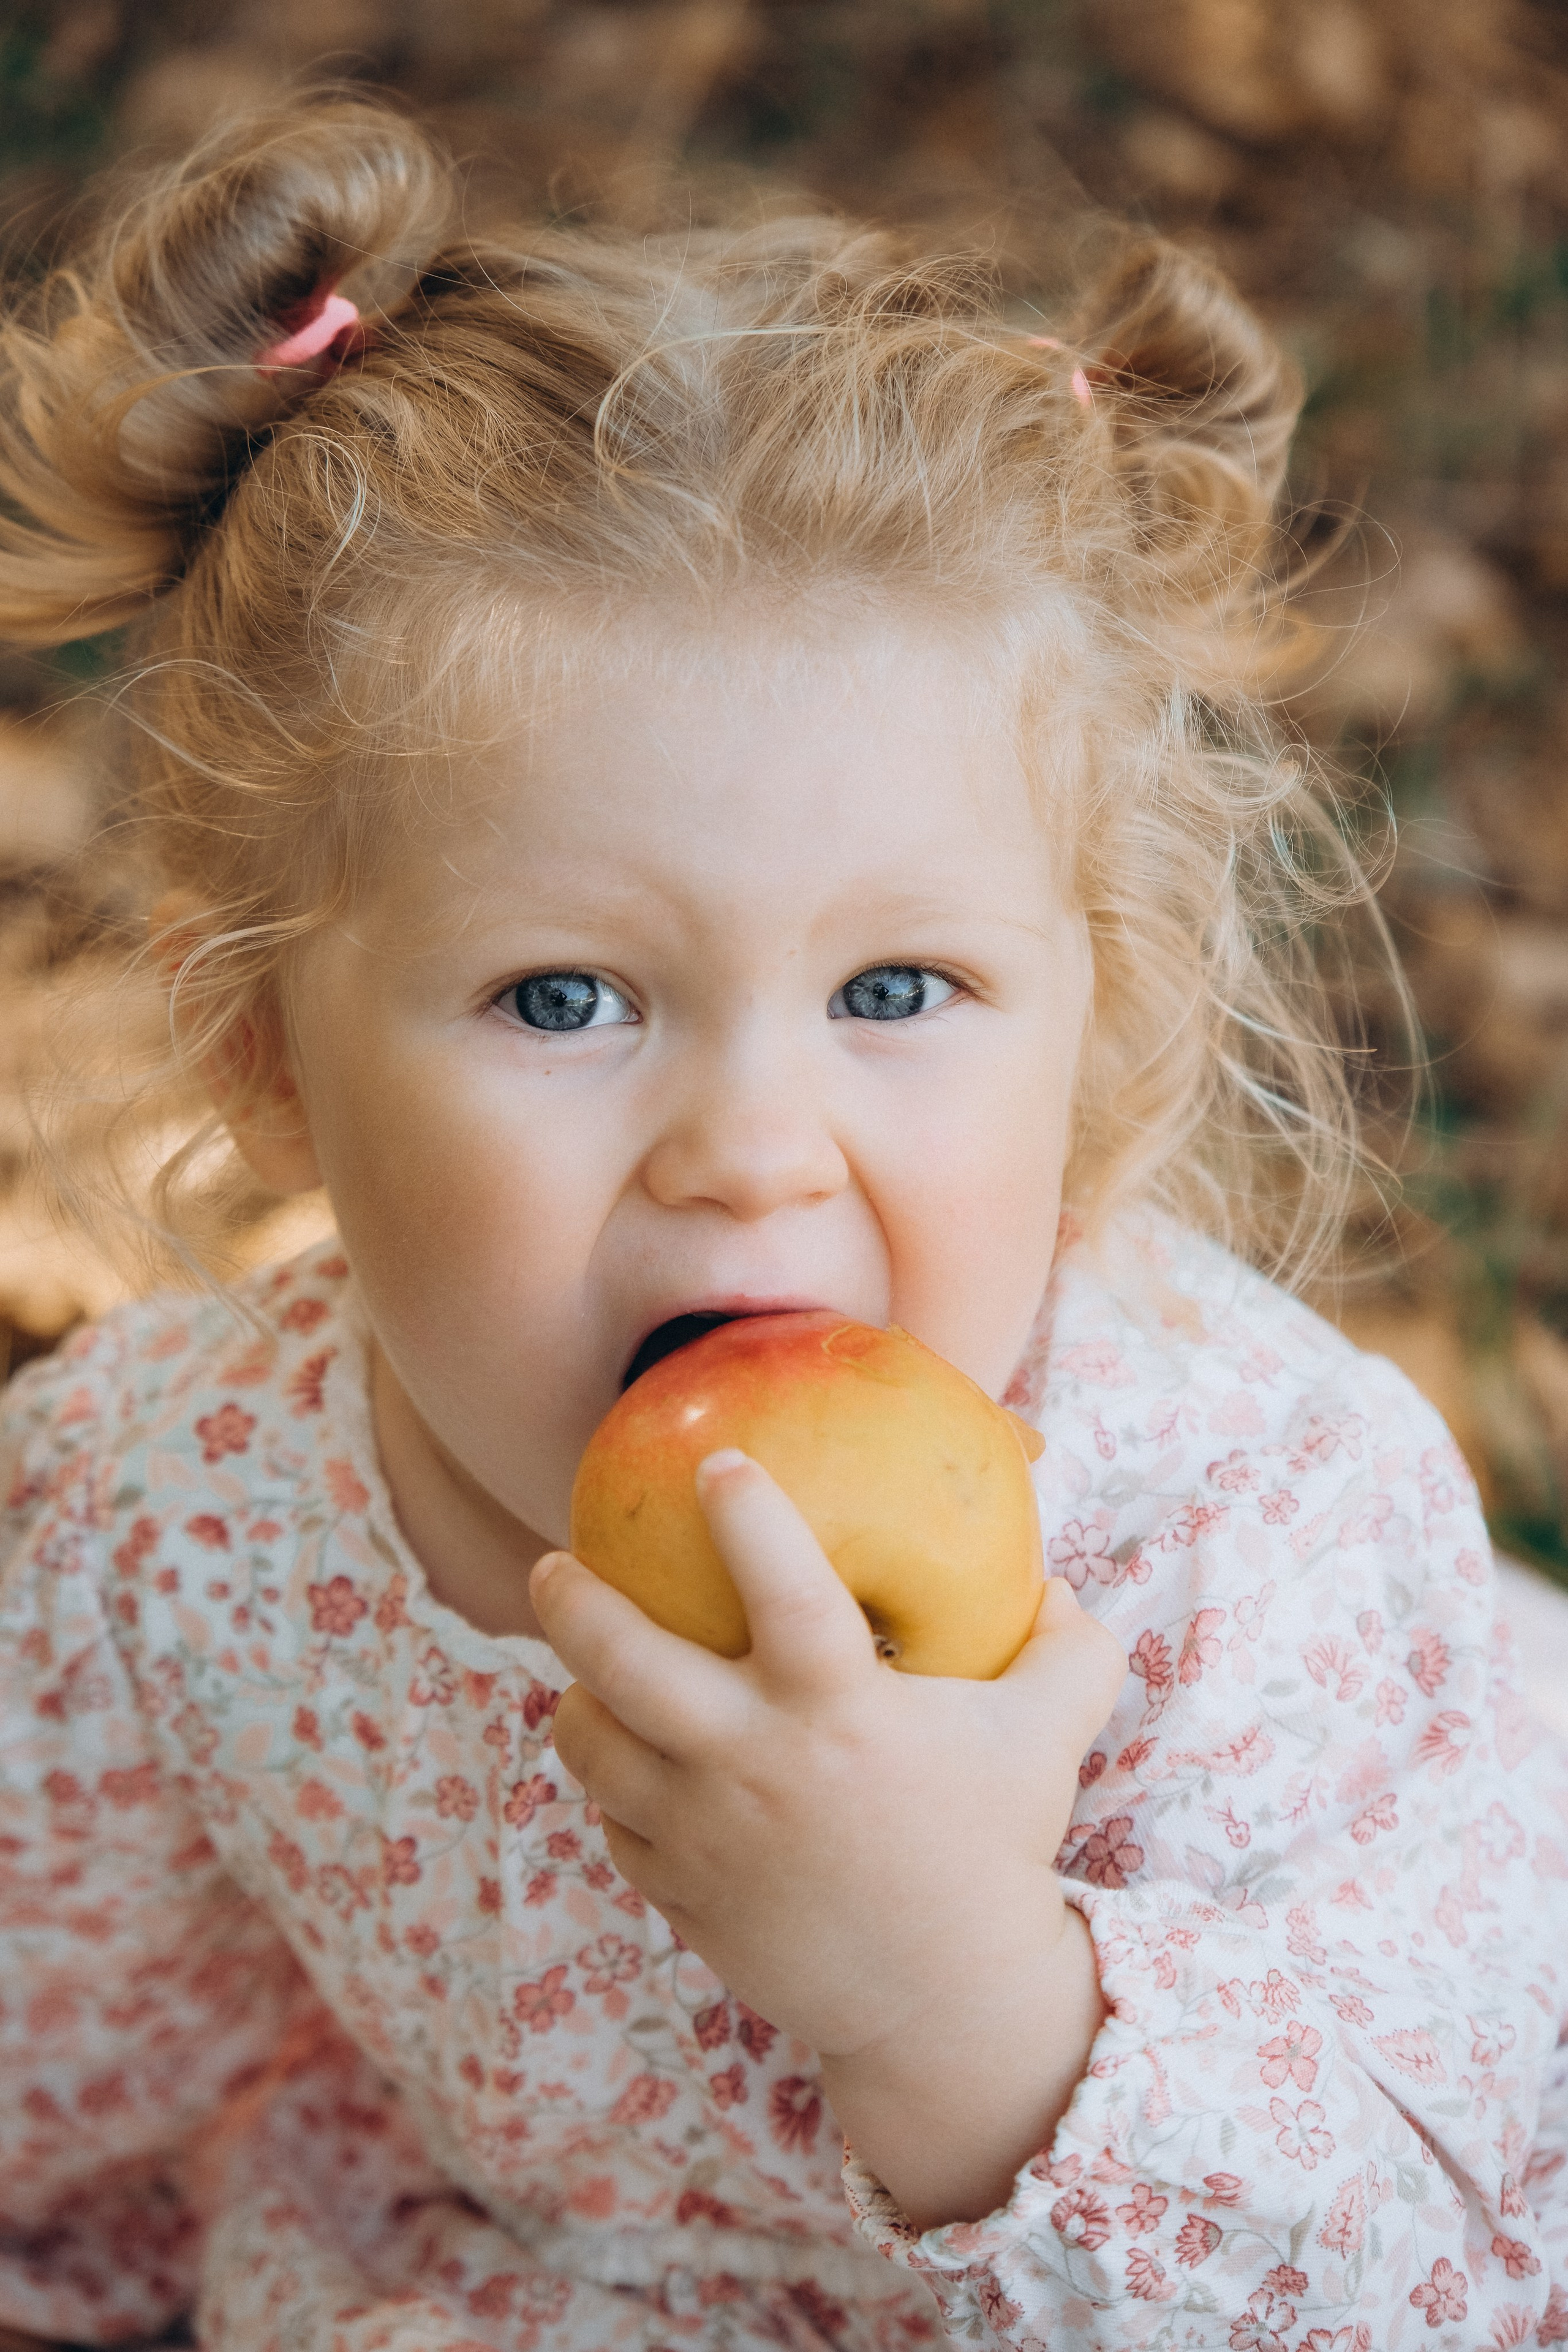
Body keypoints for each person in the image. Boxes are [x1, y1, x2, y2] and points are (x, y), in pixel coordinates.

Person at [0, 94, 1564, 2352]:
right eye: (566, 997)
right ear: (267, 1064)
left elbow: (1420, 2285)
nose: (754, 1147)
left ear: (1092, 1010)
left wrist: (953, 1994)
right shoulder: (167, 1516)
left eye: (895, 991)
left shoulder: (1246, 1538)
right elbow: (68, 2041)